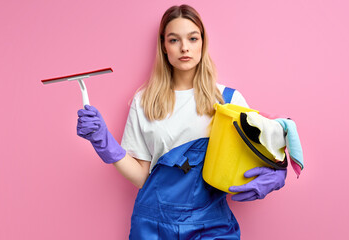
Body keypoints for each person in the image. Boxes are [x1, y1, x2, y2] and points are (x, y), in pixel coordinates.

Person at [76, 4, 287, 239]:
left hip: (211, 225)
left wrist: (277, 172)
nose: (184, 47)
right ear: (164, 46)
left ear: (203, 43)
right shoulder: (145, 101)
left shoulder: (228, 102)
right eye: (174, 40)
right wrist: (105, 144)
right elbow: (142, 176)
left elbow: (258, 153)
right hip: (154, 225)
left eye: (192, 38)